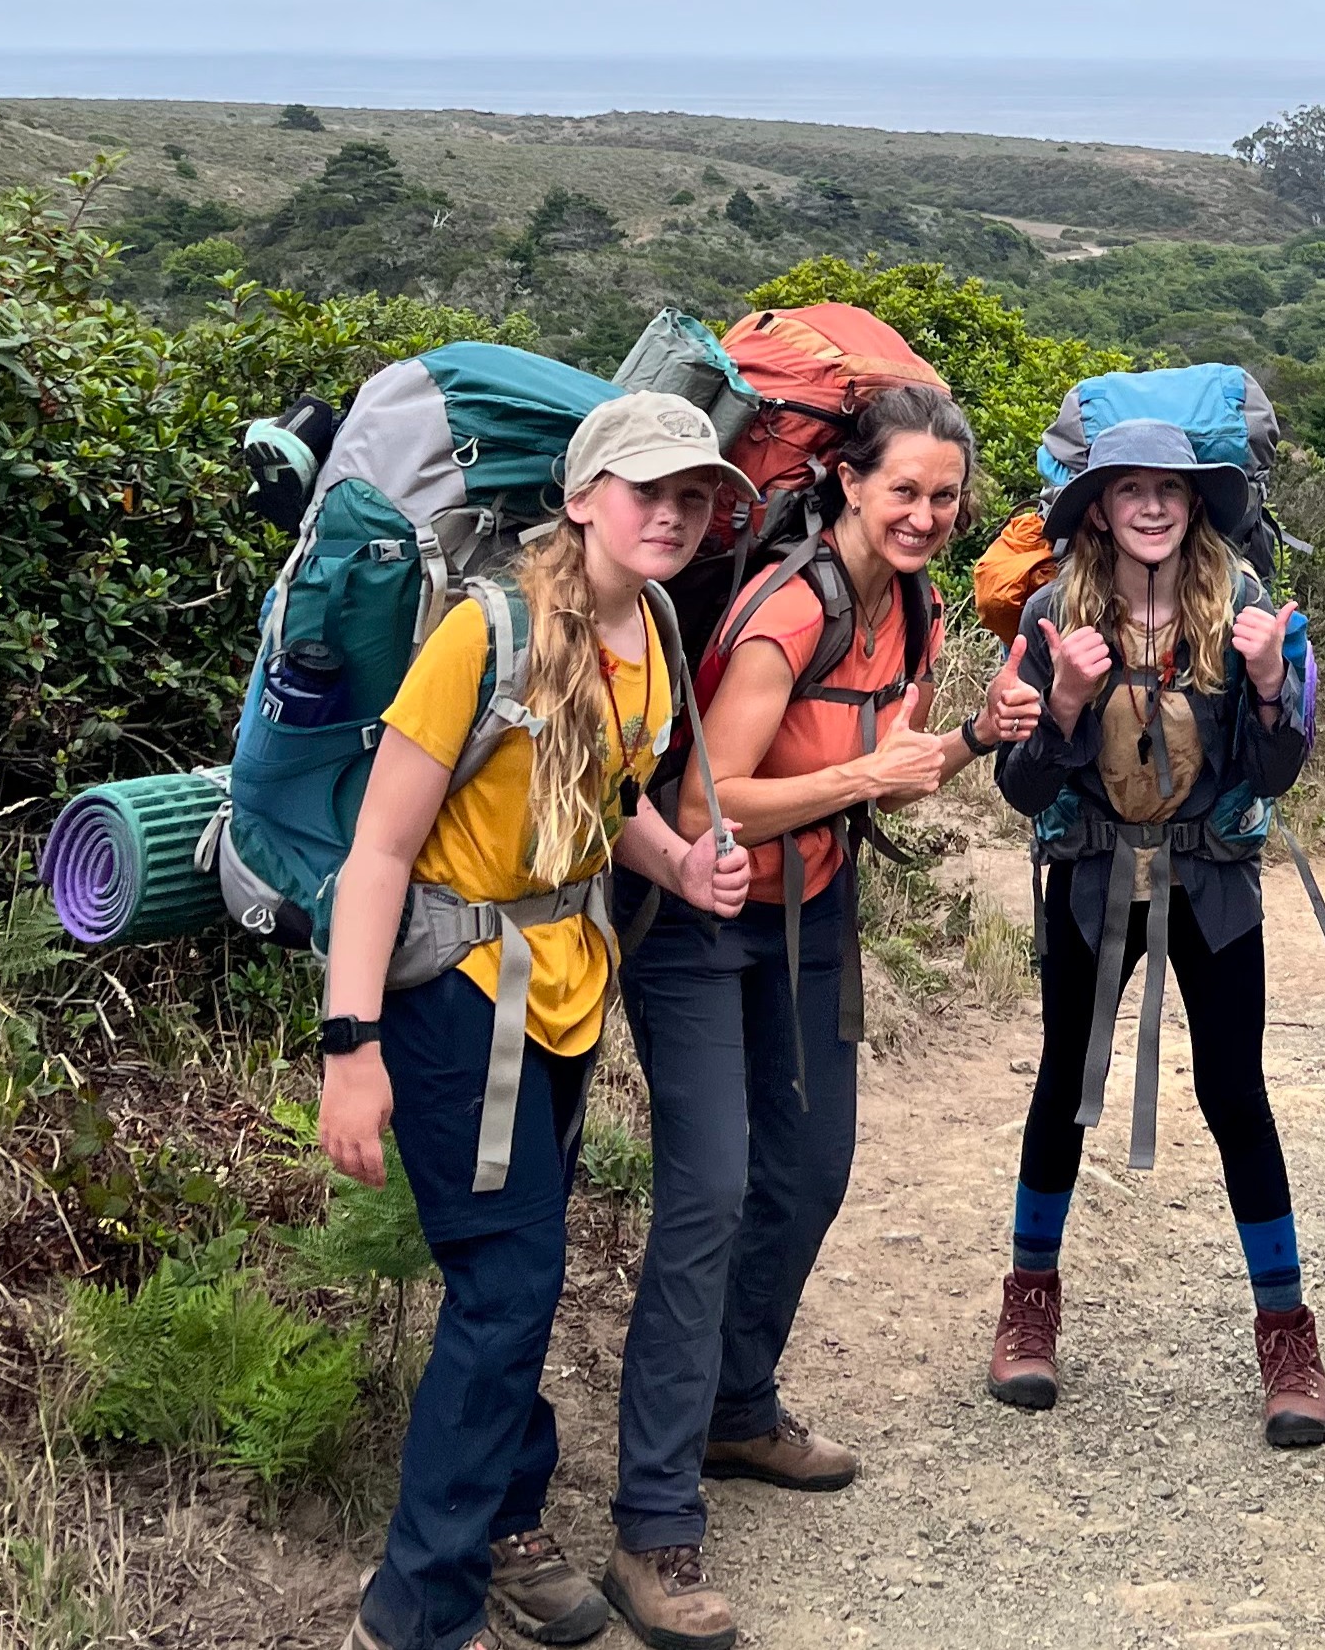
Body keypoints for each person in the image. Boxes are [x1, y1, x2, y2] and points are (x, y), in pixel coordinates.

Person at [317, 391, 758, 1650]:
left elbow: (609, 799)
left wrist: (678, 865)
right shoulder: (486, 631)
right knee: (507, 1290)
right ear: (580, 498)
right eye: (647, 490)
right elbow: (379, 851)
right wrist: (350, 1048)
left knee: (514, 1277)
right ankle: (416, 1608)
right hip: (461, 997)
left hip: (564, 990)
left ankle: (510, 1525)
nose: (673, 514)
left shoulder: (652, 625)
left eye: (694, 496)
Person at [647, 384, 1024, 1513]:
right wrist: (862, 775)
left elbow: (893, 779)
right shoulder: (790, 608)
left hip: (811, 910)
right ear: (850, 482)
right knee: (713, 1192)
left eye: (944, 498)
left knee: (809, 1169)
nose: (924, 515)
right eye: (903, 490)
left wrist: (975, 735)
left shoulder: (916, 606)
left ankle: (736, 1410)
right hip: (700, 918)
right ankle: (658, 1485)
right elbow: (701, 804)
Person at [982, 418, 1325, 1446]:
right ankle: (1028, 1307)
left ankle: (1288, 1337)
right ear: (1096, 508)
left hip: (1212, 880)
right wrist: (1064, 702)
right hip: (1093, 875)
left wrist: (1267, 688)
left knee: (1234, 1093)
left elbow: (1275, 774)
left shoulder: (1245, 606)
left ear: (1195, 505)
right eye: (1128, 488)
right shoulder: (1052, 612)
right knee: (1064, 1084)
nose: (1150, 505)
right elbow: (1020, 787)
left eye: (1169, 489)